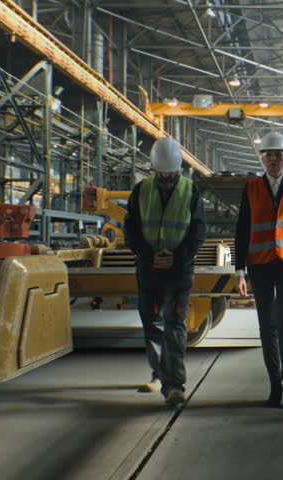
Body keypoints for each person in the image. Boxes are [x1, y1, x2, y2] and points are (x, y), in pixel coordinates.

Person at [123, 137, 207, 406]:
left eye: (170, 172)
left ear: (179, 168)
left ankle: (175, 385)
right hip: (149, 270)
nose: (166, 176)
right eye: (162, 172)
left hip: (179, 271)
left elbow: (198, 231)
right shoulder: (141, 191)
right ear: (154, 168)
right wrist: (149, 257)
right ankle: (159, 374)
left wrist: (177, 257)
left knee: (175, 324)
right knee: (152, 324)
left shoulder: (190, 191)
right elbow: (131, 229)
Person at [234, 132, 283, 408]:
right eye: (269, 155)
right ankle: (275, 384)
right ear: (262, 158)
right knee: (267, 325)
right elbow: (242, 228)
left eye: (279, 154)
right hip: (259, 265)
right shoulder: (251, 187)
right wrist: (239, 270)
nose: (274, 159)